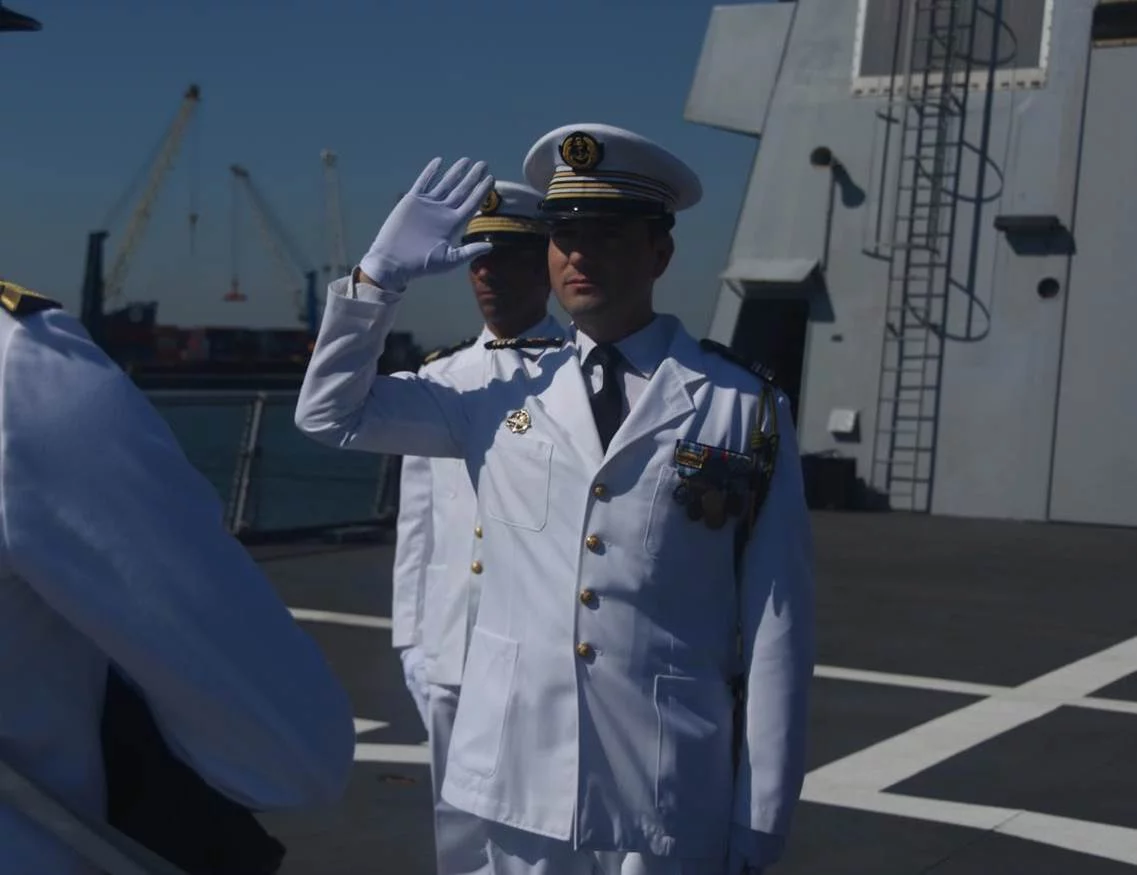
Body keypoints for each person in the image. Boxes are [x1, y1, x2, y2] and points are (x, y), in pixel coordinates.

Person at [295, 124, 814, 875]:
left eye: (605, 234)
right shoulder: (493, 386)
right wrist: (379, 279)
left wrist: (761, 819)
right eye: (563, 235)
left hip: (663, 788)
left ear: (659, 253)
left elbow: (777, 627)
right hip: (512, 782)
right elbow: (329, 415)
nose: (578, 255)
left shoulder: (741, 405)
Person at [391, 180, 564, 875]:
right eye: (478, 259)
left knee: (534, 828)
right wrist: (409, 639)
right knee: (455, 826)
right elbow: (417, 526)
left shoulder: (580, 377)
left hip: (532, 648)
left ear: (544, 266)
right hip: (446, 645)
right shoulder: (441, 376)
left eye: (509, 258)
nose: (489, 274)